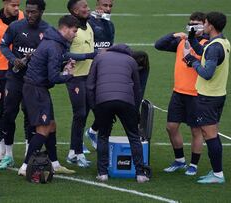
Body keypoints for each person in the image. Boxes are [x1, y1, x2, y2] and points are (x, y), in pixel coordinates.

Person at [18, 15, 79, 176]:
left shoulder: (52, 41)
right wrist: (68, 75)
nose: (75, 34)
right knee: (43, 129)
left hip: (38, 88)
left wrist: (64, 67)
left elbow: (49, 68)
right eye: (74, 31)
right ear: (64, 29)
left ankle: (55, 163)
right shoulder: (54, 46)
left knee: (51, 125)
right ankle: (25, 167)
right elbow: (53, 77)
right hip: (36, 89)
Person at [0, 0, 48, 170]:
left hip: (34, 81)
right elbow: (3, 46)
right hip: (15, 78)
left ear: (41, 12)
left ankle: (29, 154)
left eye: (33, 12)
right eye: (27, 11)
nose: (29, 15)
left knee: (31, 116)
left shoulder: (47, 30)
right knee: (8, 114)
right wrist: (14, 59)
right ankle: (8, 155)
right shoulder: (16, 27)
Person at [86, 43, 150, 183]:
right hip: (126, 101)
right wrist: (134, 109)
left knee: (103, 136)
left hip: (103, 100)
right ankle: (140, 174)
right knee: (134, 137)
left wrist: (95, 108)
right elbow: (137, 88)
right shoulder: (131, 61)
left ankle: (102, 173)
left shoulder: (99, 58)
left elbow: (90, 85)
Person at [154, 12, 208, 176]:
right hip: (178, 93)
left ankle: (193, 164)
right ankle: (179, 160)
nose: (193, 26)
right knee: (171, 127)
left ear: (205, 25)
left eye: (197, 24)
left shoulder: (207, 44)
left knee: (196, 131)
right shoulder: (181, 41)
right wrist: (175, 34)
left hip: (196, 94)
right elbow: (158, 44)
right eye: (191, 23)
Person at [184, 11, 229, 184]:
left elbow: (207, 73)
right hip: (218, 95)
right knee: (211, 134)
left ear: (210, 25)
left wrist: (191, 61)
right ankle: (216, 171)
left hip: (208, 98)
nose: (204, 26)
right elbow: (203, 51)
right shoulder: (222, 42)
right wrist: (191, 37)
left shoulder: (215, 47)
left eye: (206, 23)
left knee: (209, 135)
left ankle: (217, 174)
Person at [0, 0, 25, 163]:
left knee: (26, 111)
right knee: (1, 113)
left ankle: (27, 152)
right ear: (4, 3)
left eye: (18, 4)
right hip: (1, 72)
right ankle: (1, 151)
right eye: (13, 4)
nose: (17, 8)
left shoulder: (24, 18)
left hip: (22, 71)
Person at [65, 0, 94, 168]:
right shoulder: (72, 31)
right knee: (80, 114)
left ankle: (72, 152)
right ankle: (78, 153)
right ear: (75, 11)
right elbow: (64, 54)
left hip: (89, 77)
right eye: (84, 7)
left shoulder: (87, 26)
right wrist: (89, 56)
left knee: (84, 114)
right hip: (75, 78)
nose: (87, 9)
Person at [84, 0, 115, 150]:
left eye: (110, 6)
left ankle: (93, 131)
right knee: (82, 111)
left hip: (103, 71)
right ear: (97, 6)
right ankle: (77, 146)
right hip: (87, 71)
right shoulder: (87, 21)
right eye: (105, 6)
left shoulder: (110, 24)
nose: (108, 9)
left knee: (105, 108)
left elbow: (109, 44)